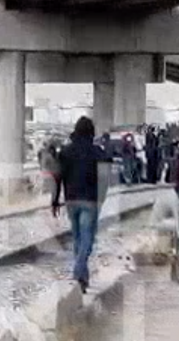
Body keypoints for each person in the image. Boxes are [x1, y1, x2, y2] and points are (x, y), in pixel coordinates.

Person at [52, 116, 111, 293]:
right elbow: (106, 171)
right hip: (90, 201)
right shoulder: (96, 152)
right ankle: (78, 271)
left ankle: (82, 280)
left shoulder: (65, 152)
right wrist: (102, 198)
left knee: (78, 238)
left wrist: (55, 200)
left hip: (71, 200)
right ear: (91, 133)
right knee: (88, 240)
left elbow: (58, 177)